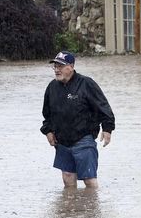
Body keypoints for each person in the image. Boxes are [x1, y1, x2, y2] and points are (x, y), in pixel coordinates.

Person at [40, 51, 115, 188]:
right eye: (55, 67)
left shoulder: (86, 83)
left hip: (84, 139)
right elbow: (47, 114)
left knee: (89, 181)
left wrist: (107, 129)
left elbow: (103, 107)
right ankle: (71, 209)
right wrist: (48, 131)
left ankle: (93, 208)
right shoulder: (52, 87)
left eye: (60, 66)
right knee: (67, 180)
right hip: (62, 142)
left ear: (71, 66)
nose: (57, 70)